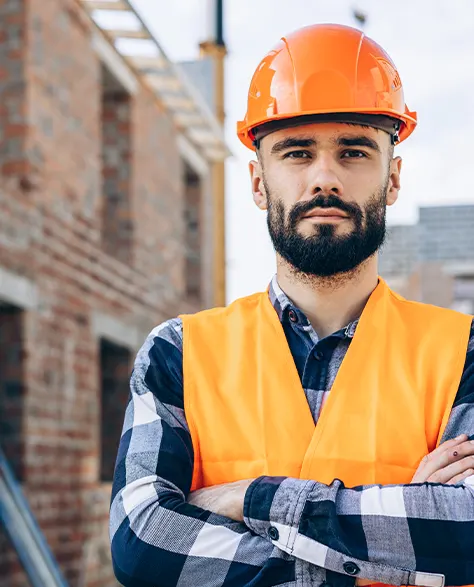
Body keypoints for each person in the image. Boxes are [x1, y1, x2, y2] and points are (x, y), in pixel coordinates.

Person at [109, 24, 474, 587]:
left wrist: (247, 498)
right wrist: (397, 557)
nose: (324, 177)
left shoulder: (462, 351)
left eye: (354, 151)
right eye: (297, 153)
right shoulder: (179, 353)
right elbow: (141, 542)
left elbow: (468, 528)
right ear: (259, 183)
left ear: (393, 177)